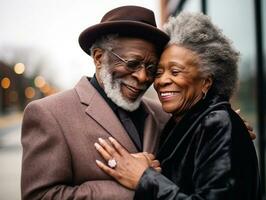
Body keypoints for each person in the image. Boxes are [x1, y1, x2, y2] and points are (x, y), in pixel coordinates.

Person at [95, 12, 262, 200]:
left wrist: (144, 178)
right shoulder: (180, 123)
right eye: (158, 72)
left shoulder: (218, 123)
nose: (162, 81)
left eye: (175, 71)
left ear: (206, 81)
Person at [21, 5, 171, 200]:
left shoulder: (163, 115)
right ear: (99, 58)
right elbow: (39, 196)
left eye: (151, 68)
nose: (143, 77)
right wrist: (140, 186)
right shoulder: (48, 114)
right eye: (132, 64)